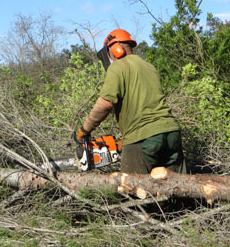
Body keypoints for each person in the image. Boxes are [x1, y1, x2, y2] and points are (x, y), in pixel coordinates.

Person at [74, 29, 187, 174]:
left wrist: (84, 130)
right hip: (172, 133)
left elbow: (105, 104)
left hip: (142, 136)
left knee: (131, 188)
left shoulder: (117, 67)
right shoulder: (150, 67)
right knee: (179, 188)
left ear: (115, 49)